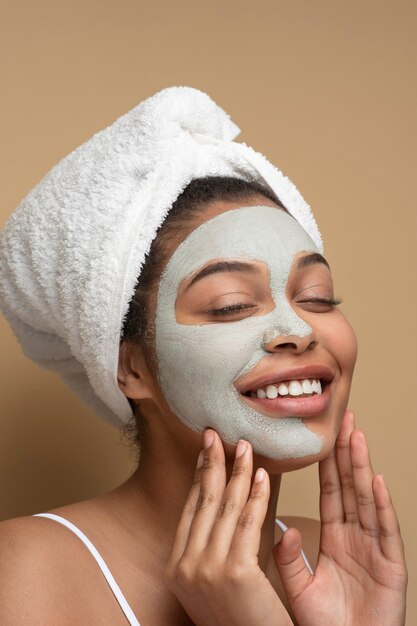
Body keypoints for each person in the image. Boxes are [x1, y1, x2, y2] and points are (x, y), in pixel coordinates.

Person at [0, 87, 407, 625]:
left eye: (317, 297)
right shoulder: (26, 572)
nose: (298, 328)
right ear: (132, 367)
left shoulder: (326, 560)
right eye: (231, 305)